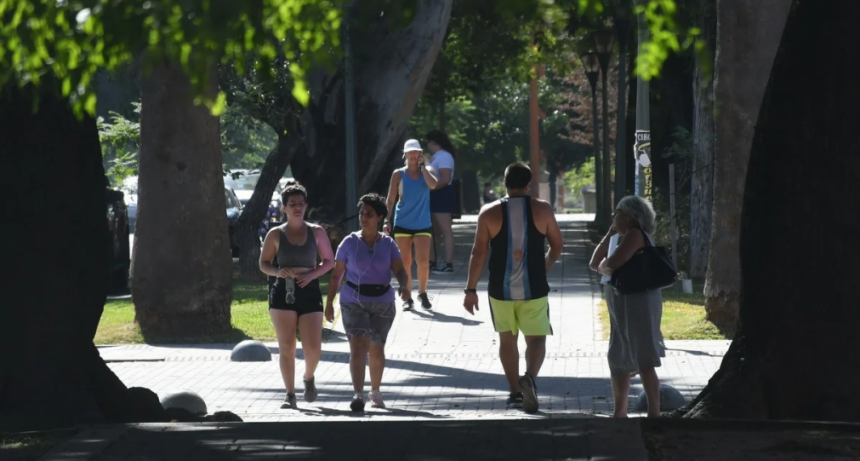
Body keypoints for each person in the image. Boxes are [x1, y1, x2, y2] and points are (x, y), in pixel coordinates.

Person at [462, 162, 563, 413]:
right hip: (534, 287)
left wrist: (470, 290)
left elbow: (478, 252)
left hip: (500, 289)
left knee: (507, 339)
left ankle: (515, 393)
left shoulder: (488, 212)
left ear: (504, 183)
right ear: (529, 185)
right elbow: (558, 245)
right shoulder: (543, 209)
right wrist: (547, 263)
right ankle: (529, 378)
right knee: (536, 337)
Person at [325, 193, 410, 412]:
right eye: (362, 213)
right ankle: (358, 394)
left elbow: (399, 269)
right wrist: (329, 302)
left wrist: (404, 285)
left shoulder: (388, 244)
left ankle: (375, 391)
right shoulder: (349, 242)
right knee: (358, 346)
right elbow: (336, 275)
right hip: (353, 300)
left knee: (376, 347)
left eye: (369, 214)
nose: (364, 218)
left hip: (382, 302)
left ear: (379, 217)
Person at [588, 195, 665, 418]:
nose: (614, 216)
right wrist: (609, 234)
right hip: (621, 303)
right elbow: (595, 263)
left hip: (639, 301)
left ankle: (654, 413)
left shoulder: (635, 235)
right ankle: (619, 412)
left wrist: (604, 266)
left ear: (630, 216)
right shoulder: (622, 236)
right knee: (619, 357)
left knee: (643, 356)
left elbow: (611, 264)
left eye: (617, 213)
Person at [259, 183, 334, 409]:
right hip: (284, 290)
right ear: (284, 207)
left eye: (301, 203)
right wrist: (277, 272)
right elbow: (264, 263)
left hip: (309, 289)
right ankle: (290, 394)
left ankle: (308, 377)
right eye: (293, 204)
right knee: (287, 346)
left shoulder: (316, 231)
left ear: (306, 206)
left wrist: (313, 274)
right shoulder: (275, 234)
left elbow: (329, 261)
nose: (297, 208)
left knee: (313, 347)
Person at [384, 139, 437, 311]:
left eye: (416, 152)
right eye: (410, 152)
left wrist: (423, 168)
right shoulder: (398, 174)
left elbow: (433, 185)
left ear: (420, 154)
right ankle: (407, 296)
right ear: (405, 154)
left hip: (422, 223)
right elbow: (390, 200)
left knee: (423, 261)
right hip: (402, 222)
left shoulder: (428, 171)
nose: (413, 155)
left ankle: (423, 293)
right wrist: (386, 220)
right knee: (405, 261)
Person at [425, 130, 456, 273]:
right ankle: (434, 261)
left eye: (428, 143)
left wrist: (430, 188)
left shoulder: (444, 156)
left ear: (433, 142)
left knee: (445, 230)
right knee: (434, 231)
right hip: (434, 194)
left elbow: (445, 179)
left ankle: (448, 263)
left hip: (442, 194)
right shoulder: (435, 157)